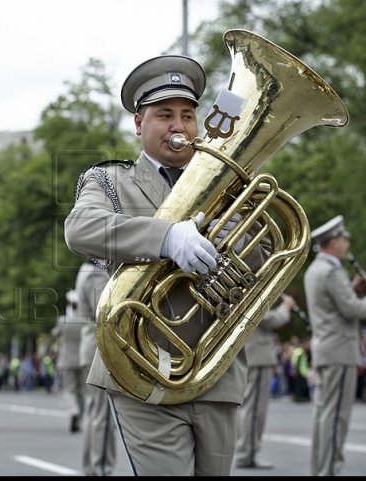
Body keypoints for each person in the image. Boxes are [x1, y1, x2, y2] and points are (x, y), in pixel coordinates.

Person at [64, 55, 271, 476]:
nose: (179, 126)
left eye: (187, 115)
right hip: (141, 364)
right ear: (139, 124)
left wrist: (233, 228)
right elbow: (80, 229)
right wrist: (166, 238)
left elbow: (268, 261)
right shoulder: (110, 181)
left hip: (216, 370)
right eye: (164, 115)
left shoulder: (232, 183)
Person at [303, 215, 366, 476]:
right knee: (337, 417)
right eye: (344, 239)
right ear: (334, 242)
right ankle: (329, 470)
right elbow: (353, 309)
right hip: (339, 350)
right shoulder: (332, 270)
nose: (347, 243)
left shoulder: (316, 268)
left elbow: (332, 307)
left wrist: (350, 287)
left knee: (324, 415)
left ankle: (320, 468)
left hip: (327, 348)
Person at [234, 294, 295, 469]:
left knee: (247, 408)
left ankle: (245, 451)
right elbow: (269, 320)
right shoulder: (249, 289)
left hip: (251, 354)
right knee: (254, 409)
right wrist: (286, 307)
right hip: (257, 355)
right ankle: (247, 453)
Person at [75, 258, 118, 476]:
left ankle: (93, 468)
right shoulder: (95, 272)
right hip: (99, 350)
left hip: (91, 349)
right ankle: (100, 469)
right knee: (104, 416)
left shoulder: (91, 269)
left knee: (95, 414)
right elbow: (106, 310)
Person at [50, 290, 86, 433]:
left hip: (67, 359)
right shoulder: (85, 320)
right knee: (81, 391)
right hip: (82, 358)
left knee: (69, 389)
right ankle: (80, 418)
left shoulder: (63, 320)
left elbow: (54, 333)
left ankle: (74, 410)